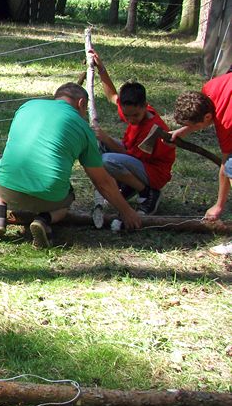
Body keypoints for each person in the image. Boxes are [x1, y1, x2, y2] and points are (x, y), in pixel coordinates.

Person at [0, 82, 141, 248]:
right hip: (50, 199)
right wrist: (127, 211)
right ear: (81, 103)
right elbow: (102, 182)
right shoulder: (84, 129)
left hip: (7, 189)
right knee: (68, 197)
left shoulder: (27, 106)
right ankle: (44, 220)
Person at [91, 50, 175, 215]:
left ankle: (148, 193)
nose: (130, 119)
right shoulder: (132, 110)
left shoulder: (153, 129)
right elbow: (112, 96)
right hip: (136, 160)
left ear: (145, 106)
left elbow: (130, 156)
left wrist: (106, 138)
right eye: (126, 115)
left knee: (107, 160)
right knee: (99, 145)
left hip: (154, 172)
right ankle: (127, 185)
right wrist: (101, 69)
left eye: (135, 115)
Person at [172, 73, 232, 254]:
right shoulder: (209, 89)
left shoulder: (226, 122)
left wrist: (218, 205)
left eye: (195, 126)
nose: (194, 129)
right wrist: (184, 130)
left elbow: (226, 165)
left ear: (207, 117)